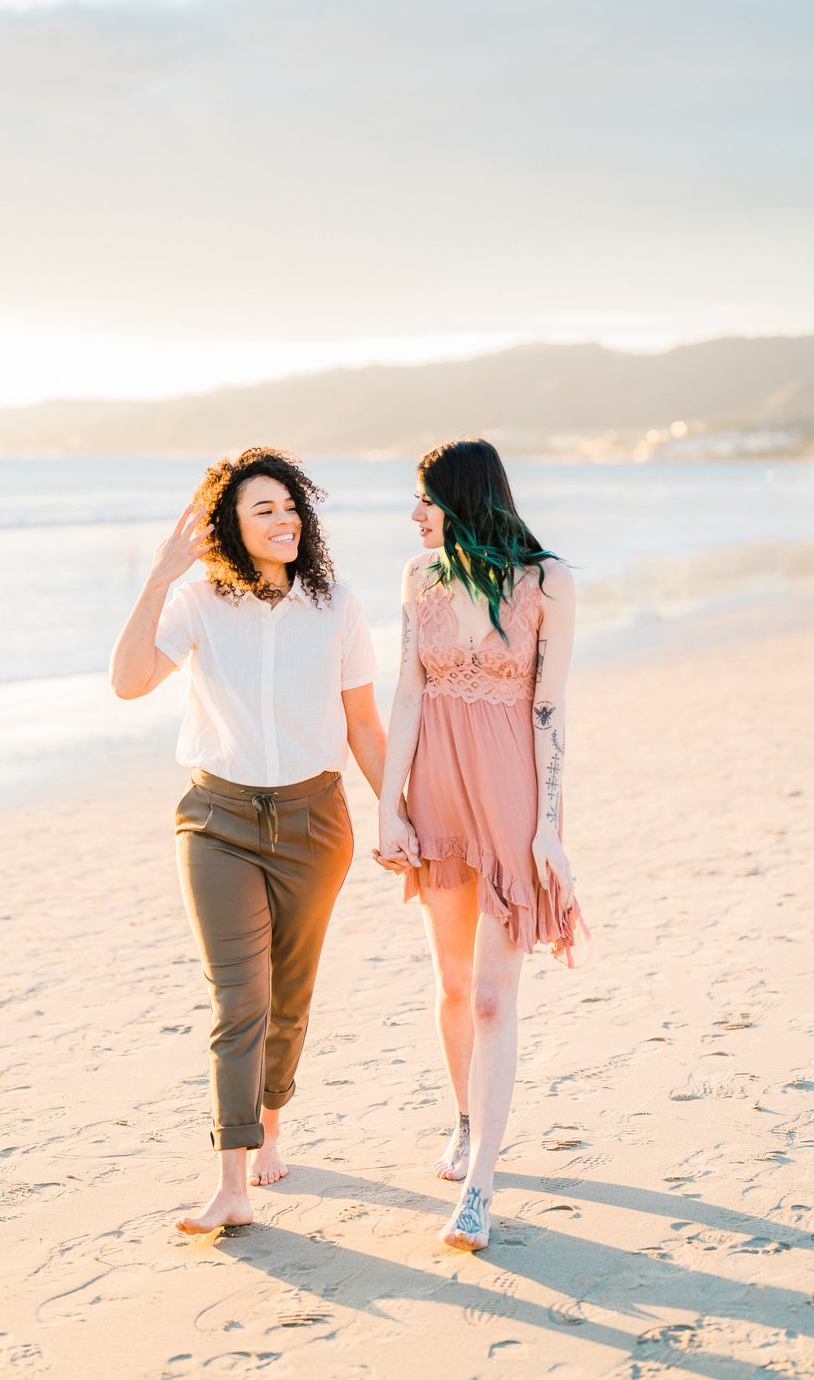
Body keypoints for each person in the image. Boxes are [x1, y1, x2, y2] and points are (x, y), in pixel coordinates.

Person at [110, 447, 385, 1235]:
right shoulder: (196, 601)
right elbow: (128, 682)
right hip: (217, 823)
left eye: (291, 506)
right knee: (241, 1000)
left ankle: (272, 1119)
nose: (284, 519)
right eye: (263, 509)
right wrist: (159, 575)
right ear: (229, 526)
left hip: (315, 822)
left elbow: (365, 726)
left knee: (288, 1001)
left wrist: (399, 813)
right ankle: (231, 1178)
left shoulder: (337, 606)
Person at [376, 438, 589, 1252]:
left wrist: (550, 828)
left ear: (463, 499)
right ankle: (465, 1117)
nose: (415, 514)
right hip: (435, 790)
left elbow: (550, 710)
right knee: (455, 984)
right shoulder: (418, 577)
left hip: (509, 800)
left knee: (497, 996)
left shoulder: (548, 581)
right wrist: (391, 808)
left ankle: (480, 1190)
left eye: (426, 499)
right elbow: (406, 690)